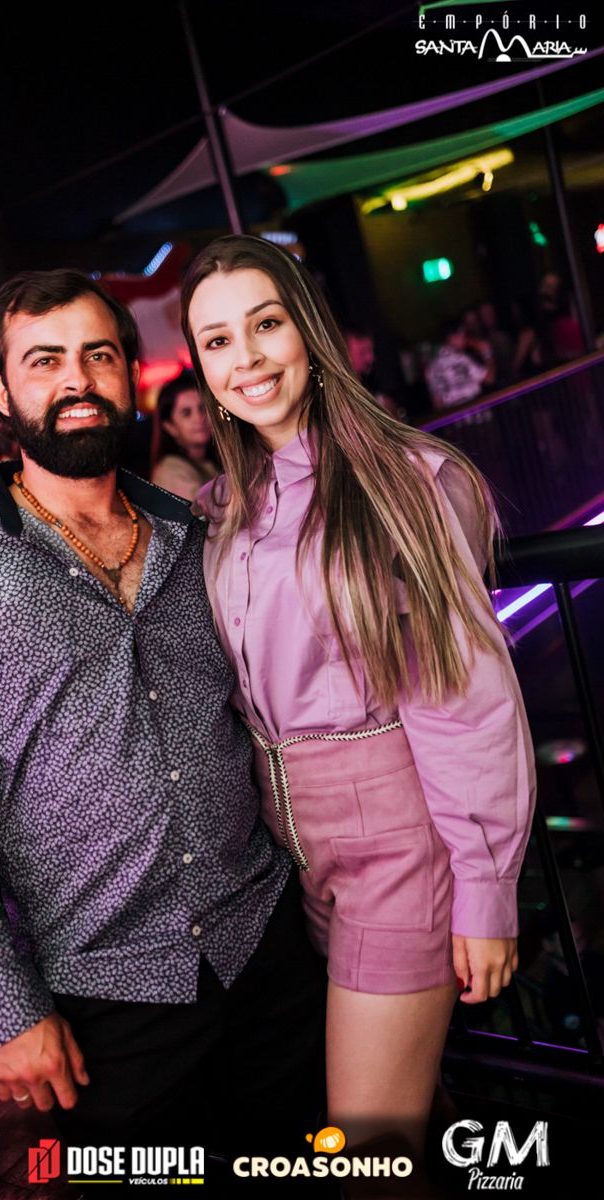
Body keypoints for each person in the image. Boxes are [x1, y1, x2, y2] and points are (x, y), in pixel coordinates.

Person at [0, 268, 325, 1158]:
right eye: (45, 361)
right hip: (106, 999)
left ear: (127, 372)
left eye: (98, 355)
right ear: (0, 392)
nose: (76, 379)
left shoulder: (197, 531)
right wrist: (0, 1005)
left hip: (267, 948)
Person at [181, 236, 536, 1187]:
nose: (247, 358)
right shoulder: (225, 510)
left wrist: (486, 889)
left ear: (309, 329)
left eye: (266, 324)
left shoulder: (406, 482)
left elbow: (464, 698)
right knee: (406, 1123)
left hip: (398, 848)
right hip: (297, 861)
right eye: (217, 341)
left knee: (366, 1150)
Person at [150, 369, 218, 500]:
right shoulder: (171, 470)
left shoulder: (210, 462)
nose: (199, 418)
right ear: (170, 426)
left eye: (203, 408)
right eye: (187, 413)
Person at [425, 315, 492, 410]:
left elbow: (437, 403)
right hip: (476, 412)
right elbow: (489, 378)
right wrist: (487, 353)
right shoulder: (462, 359)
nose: (464, 340)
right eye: (462, 335)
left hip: (453, 416)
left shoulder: (431, 368)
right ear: (452, 337)